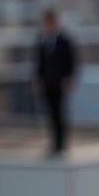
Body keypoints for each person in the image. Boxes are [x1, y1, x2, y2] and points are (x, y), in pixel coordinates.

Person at [34, 9, 76, 154]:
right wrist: (38, 79)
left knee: (59, 113)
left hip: (59, 83)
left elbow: (70, 61)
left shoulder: (64, 41)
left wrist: (69, 77)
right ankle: (54, 142)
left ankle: (61, 143)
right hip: (47, 82)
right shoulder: (43, 41)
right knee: (50, 114)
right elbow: (39, 63)